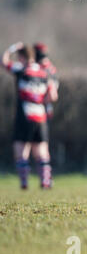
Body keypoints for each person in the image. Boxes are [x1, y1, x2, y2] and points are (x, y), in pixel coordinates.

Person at [1, 42, 58, 189]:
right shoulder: (44, 72)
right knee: (42, 152)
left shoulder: (21, 69)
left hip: (24, 117)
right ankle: (46, 181)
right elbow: (53, 95)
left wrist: (13, 47)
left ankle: (24, 182)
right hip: (40, 117)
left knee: (21, 151)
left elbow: (4, 62)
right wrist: (40, 101)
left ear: (21, 57)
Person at [33, 43, 58, 120]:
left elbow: (53, 96)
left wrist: (41, 102)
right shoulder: (51, 68)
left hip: (41, 108)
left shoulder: (47, 69)